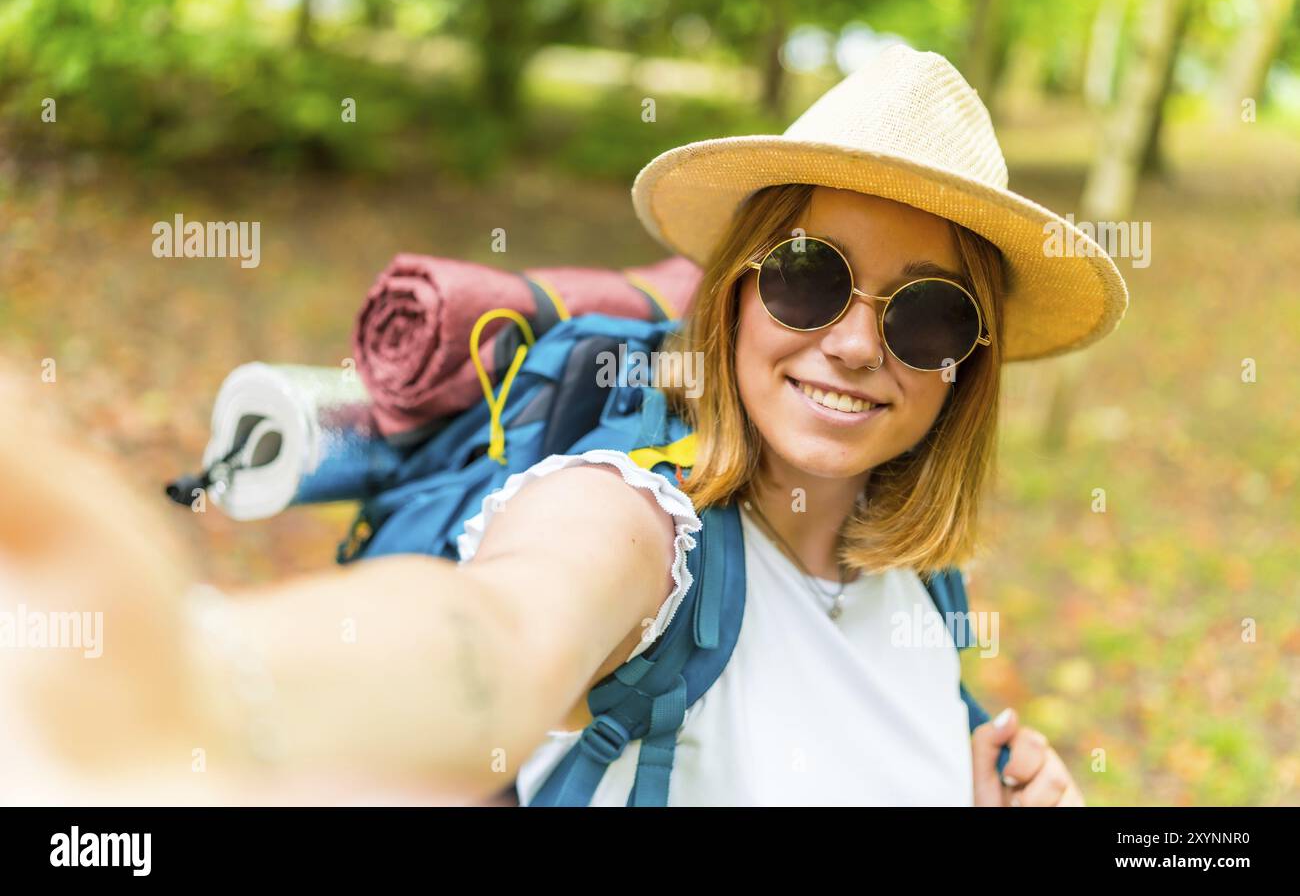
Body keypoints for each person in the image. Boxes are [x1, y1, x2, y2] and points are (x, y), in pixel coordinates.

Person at [0, 45, 1124, 805]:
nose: (854, 343)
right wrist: (200, 684)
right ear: (732, 293)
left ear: (964, 367)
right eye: (806, 278)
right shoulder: (639, 527)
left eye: (927, 313)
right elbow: (495, 638)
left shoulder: (916, 580)